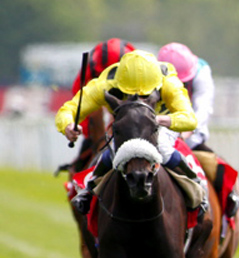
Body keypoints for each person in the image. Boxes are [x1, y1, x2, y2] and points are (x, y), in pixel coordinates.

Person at [56, 49, 203, 215]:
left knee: (162, 146)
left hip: (161, 124)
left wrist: (162, 120)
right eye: (130, 94)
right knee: (113, 148)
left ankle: (195, 184)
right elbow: (69, 110)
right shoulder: (105, 85)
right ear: (120, 84)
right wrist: (68, 125)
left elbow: (190, 119)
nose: (138, 99)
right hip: (127, 126)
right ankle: (88, 191)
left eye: (145, 95)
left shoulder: (168, 82)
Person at [158, 42, 239, 218]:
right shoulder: (151, 74)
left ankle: (229, 204)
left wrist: (182, 135)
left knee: (219, 170)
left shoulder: (201, 73)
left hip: (190, 140)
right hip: (157, 135)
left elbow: (201, 112)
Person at [68, 38, 136, 172]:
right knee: (95, 115)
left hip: (127, 99)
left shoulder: (136, 65)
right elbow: (77, 100)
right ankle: (77, 176)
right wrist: (85, 131)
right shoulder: (90, 68)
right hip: (98, 103)